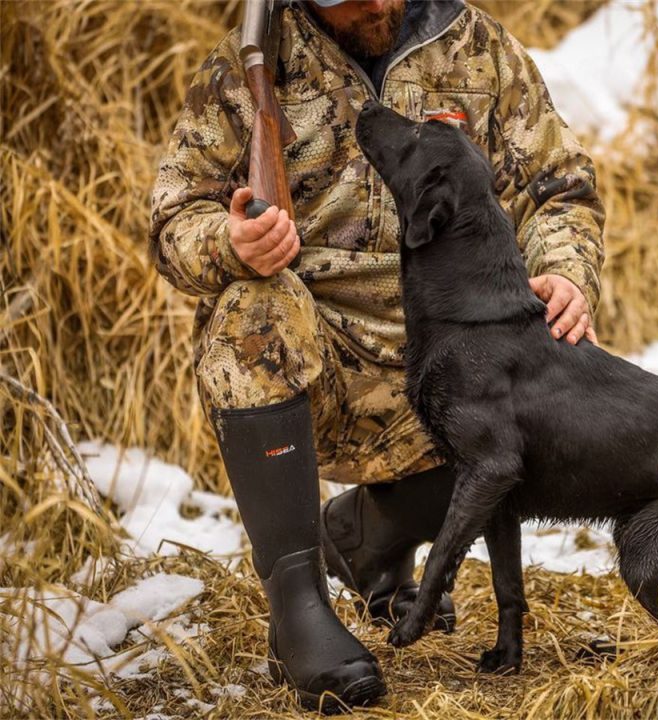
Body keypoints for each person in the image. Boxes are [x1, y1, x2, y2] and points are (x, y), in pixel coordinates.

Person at [149, 0, 604, 710]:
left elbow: (559, 189)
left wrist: (567, 272)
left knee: (559, 381)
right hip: (318, 365)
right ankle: (298, 608)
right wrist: (228, 243)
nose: (376, 2)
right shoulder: (247, 67)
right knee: (250, 306)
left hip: (458, 366)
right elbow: (175, 216)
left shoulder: (476, 44)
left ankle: (370, 533)